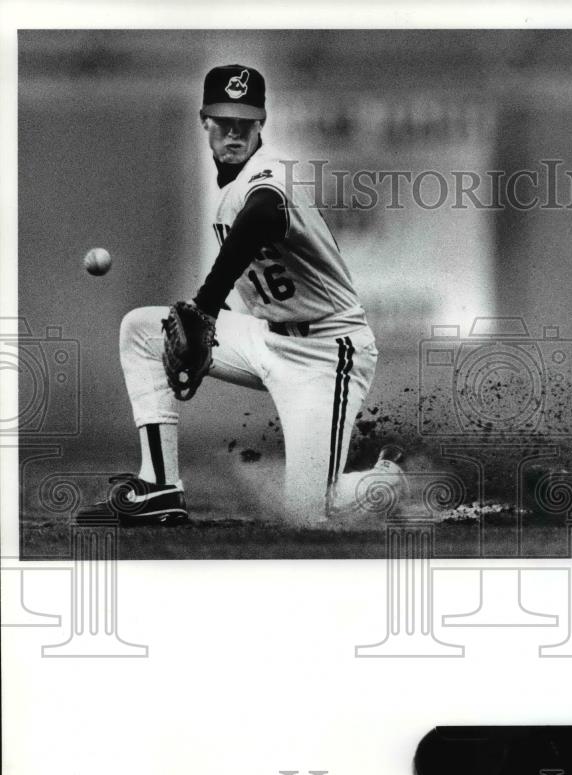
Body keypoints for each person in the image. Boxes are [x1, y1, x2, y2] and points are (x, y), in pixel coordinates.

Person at [76, 64, 402, 526]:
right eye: (224, 122)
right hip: (266, 338)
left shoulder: (268, 177)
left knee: (309, 515)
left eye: (245, 124)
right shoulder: (230, 187)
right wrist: (214, 315)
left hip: (326, 353)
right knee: (142, 329)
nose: (234, 134)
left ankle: (389, 479)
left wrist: (205, 307)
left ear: (261, 124)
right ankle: (159, 487)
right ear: (204, 121)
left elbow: (264, 214)